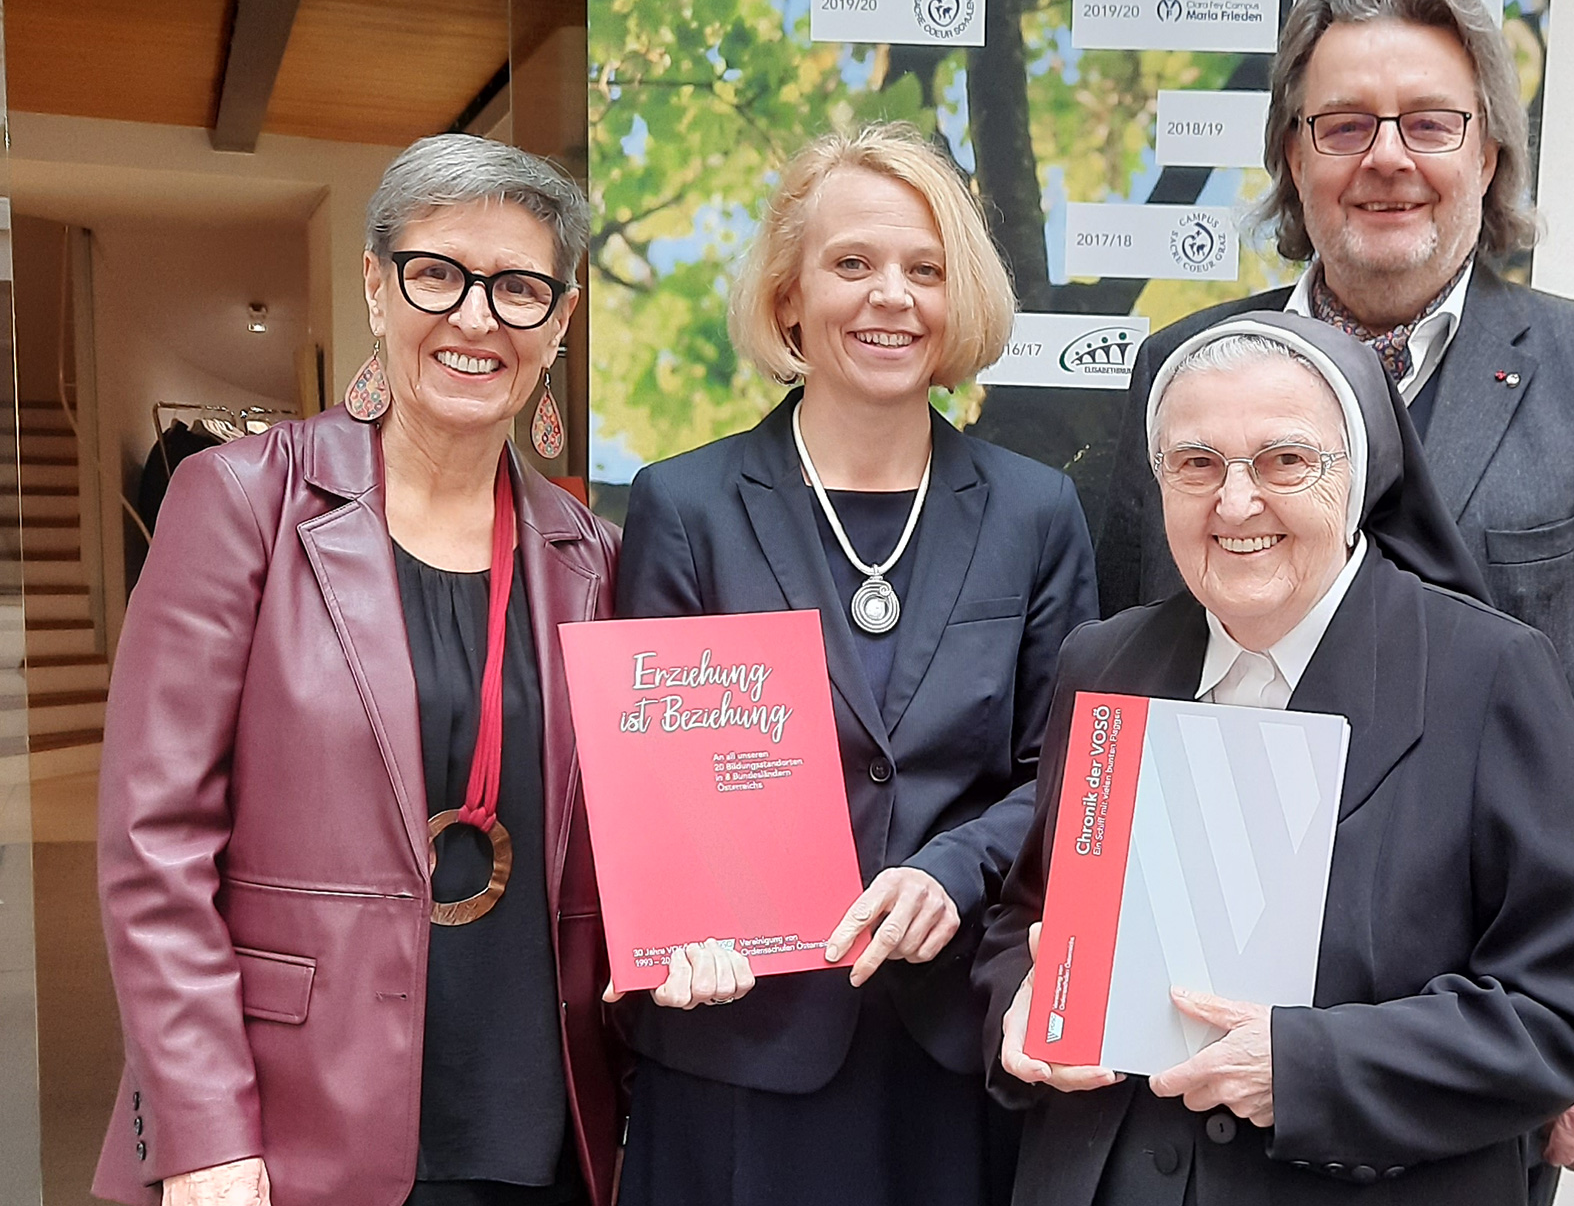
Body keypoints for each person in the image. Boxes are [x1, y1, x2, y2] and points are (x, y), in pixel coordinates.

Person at [1096, 0, 1574, 1195]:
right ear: (1293, 159)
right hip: (1196, 1028)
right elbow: (1136, 670)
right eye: (1342, 125)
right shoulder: (1190, 369)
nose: (1387, 156)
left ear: (1487, 153)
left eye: (1430, 122)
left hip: (1463, 1036)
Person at [977, 312, 1574, 1205]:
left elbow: (1563, 1015)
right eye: (1197, 463)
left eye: (1286, 461)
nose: (1236, 503)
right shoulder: (1105, 662)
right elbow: (1025, 917)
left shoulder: (1489, 676)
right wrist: (1021, 999)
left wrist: (1309, 1066)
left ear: (1356, 476)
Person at [94, 134, 623, 1206]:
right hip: (297, 1131)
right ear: (378, 286)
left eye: (519, 288)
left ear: (559, 322)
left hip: (543, 1132)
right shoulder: (244, 502)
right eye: (439, 274)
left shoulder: (591, 555)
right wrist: (199, 1129)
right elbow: (156, 842)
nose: (477, 319)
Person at [612, 122, 1098, 1206]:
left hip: (954, 1049)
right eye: (853, 264)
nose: (893, 296)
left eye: (926, 269)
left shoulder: (1037, 511)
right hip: (740, 1048)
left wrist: (955, 866)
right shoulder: (682, 507)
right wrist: (685, 923)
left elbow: (1064, 773)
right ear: (789, 298)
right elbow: (660, 797)